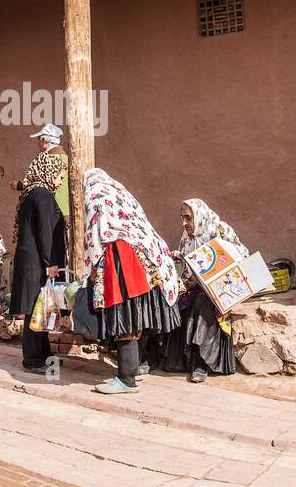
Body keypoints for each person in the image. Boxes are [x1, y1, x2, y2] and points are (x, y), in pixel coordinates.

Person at [82, 169, 181, 395]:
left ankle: (126, 379)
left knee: (124, 318)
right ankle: (130, 372)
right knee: (134, 318)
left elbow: (95, 236)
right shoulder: (120, 193)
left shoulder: (95, 194)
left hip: (120, 262)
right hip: (144, 258)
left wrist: (90, 270)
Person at [160, 199, 245, 383]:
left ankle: (201, 362)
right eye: (182, 217)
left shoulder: (219, 230)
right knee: (176, 300)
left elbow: (242, 254)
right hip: (195, 288)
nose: (184, 223)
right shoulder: (187, 237)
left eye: (188, 218)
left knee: (201, 304)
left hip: (220, 290)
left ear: (198, 216)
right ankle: (177, 360)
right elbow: (187, 268)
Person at [8, 156, 66, 372]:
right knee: (35, 310)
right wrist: (50, 262)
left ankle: (44, 355)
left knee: (41, 308)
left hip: (33, 260)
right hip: (37, 263)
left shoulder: (34, 193)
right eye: (59, 174)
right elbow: (45, 231)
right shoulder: (42, 194)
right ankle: (32, 360)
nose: (60, 179)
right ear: (49, 171)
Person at [12, 124, 70, 218]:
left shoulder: (47, 159)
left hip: (50, 211)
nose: (38, 143)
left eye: (39, 139)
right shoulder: (67, 159)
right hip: (66, 210)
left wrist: (22, 185)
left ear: (44, 141)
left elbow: (43, 184)